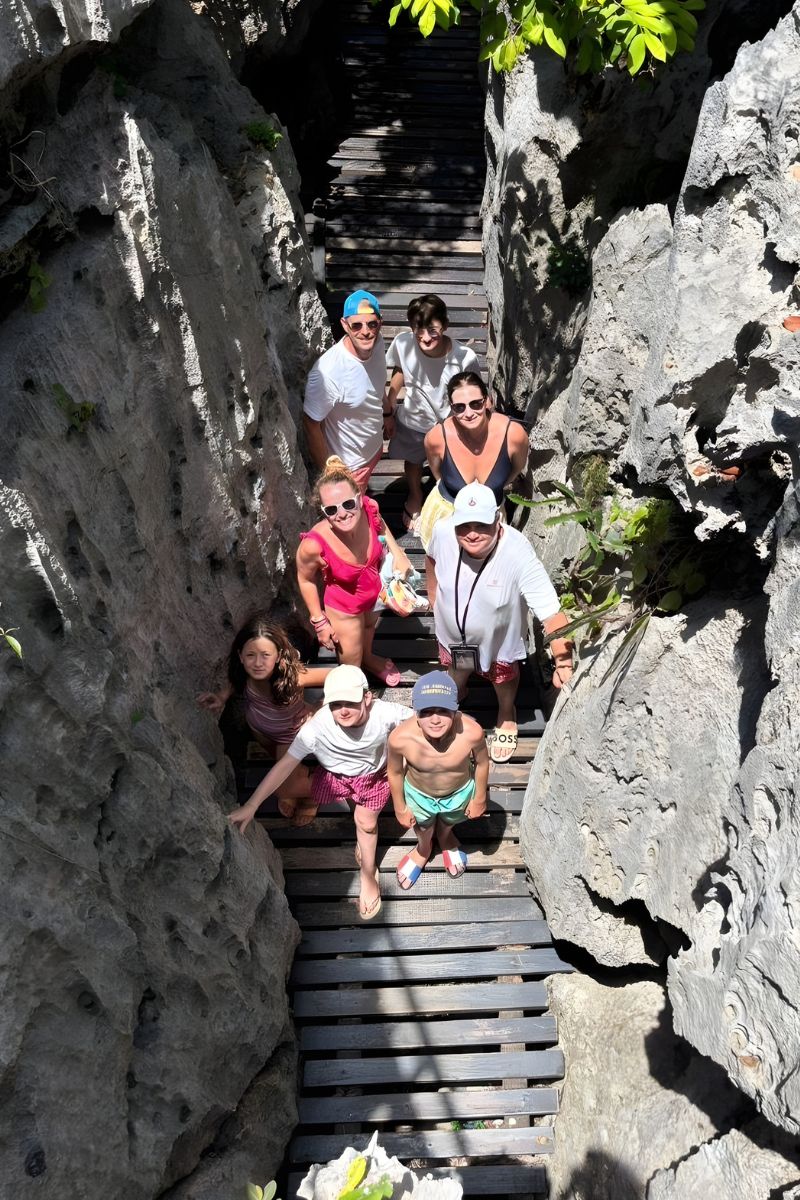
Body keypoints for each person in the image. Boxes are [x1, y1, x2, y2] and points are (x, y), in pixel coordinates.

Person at [229, 665, 413, 919]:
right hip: (338, 776)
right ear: (327, 702)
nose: (344, 710)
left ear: (367, 698)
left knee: (366, 822)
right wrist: (252, 805)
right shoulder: (317, 728)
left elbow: (421, 719)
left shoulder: (385, 713)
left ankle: (368, 874)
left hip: (373, 778)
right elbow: (284, 766)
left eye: (351, 701)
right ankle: (363, 841)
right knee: (343, 803)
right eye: (337, 703)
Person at [426, 482, 574, 764]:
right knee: (456, 668)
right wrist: (434, 597)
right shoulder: (444, 531)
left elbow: (551, 612)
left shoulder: (517, 552)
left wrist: (563, 661)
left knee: (502, 678)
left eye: (481, 525)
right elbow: (432, 560)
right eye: (464, 525)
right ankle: (458, 690)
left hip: (498, 642)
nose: (471, 533)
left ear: (497, 519)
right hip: (453, 636)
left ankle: (507, 712)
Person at [197, 614, 330, 826]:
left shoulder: (294, 676)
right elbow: (236, 682)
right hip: (261, 729)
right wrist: (222, 696)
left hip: (289, 733)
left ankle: (313, 794)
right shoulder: (243, 672)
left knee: (284, 788)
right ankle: (298, 780)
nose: (258, 664)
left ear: (278, 656)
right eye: (251, 655)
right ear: (240, 656)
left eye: (266, 655)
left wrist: (319, 707)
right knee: (280, 766)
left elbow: (341, 674)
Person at [296, 456, 413, 687]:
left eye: (348, 504)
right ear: (323, 511)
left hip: (375, 590)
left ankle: (369, 659)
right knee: (351, 664)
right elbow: (306, 579)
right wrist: (320, 622)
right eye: (331, 509)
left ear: (359, 499)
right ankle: (354, 694)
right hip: (344, 605)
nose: (342, 514)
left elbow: (380, 525)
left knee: (369, 627)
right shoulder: (313, 545)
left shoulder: (370, 508)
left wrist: (398, 553)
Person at [385, 294, 480, 530]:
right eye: (419, 331)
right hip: (414, 417)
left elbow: (472, 388)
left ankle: (446, 501)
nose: (425, 338)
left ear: (445, 326)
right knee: (414, 460)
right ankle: (415, 495)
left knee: (451, 463)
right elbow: (400, 369)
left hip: (450, 423)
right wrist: (389, 402)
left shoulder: (463, 357)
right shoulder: (403, 343)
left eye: (432, 330)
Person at [387, 671, 489, 888]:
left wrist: (479, 797)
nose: (435, 719)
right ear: (416, 713)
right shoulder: (400, 738)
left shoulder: (472, 732)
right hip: (418, 793)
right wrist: (400, 807)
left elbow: (482, 763)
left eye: (443, 711)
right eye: (426, 712)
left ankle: (445, 837)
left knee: (450, 820)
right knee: (422, 827)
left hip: (458, 791)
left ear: (455, 710)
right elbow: (395, 772)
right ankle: (423, 848)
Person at [417, 371, 529, 551]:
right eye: (459, 407)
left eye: (476, 404)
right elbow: (438, 475)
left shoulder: (513, 435)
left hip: (490, 521)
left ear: (488, 400)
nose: (468, 413)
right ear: (451, 408)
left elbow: (516, 469)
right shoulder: (437, 438)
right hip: (448, 515)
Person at [303, 289, 392, 493]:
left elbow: (375, 382)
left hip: (374, 448)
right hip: (350, 467)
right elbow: (310, 424)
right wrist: (333, 476)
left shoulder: (376, 343)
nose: (366, 331)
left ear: (380, 322)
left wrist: (387, 412)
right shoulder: (328, 372)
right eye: (356, 325)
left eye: (372, 324)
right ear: (344, 325)